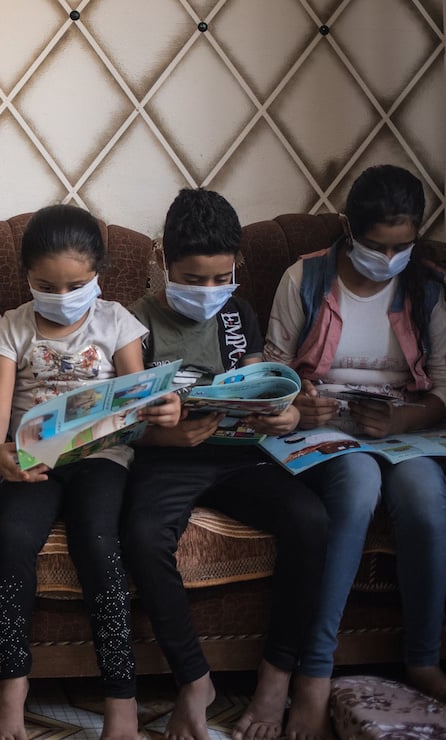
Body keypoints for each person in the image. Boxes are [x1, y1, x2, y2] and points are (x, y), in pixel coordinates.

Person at [124, 188, 328, 740]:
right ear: (164, 259)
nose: (210, 291)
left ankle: (277, 675)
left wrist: (281, 415)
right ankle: (194, 680)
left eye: (222, 277)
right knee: (143, 535)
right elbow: (122, 423)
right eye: (194, 279)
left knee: (310, 520)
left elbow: (262, 384)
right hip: (170, 458)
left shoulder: (239, 314)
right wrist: (167, 437)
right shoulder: (133, 325)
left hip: (241, 454)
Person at [0, 204, 181, 740]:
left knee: (98, 542)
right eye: (46, 284)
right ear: (26, 277)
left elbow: (138, 398)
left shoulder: (117, 321)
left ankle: (122, 700)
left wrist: (158, 408)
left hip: (101, 457)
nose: (62, 295)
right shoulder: (15, 327)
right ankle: (12, 687)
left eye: (77, 283)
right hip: (32, 460)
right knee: (11, 542)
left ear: (99, 275)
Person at [265, 164, 446, 738]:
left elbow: (443, 386)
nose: (389, 258)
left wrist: (403, 417)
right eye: (375, 245)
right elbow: (268, 364)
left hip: (402, 428)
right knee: (360, 485)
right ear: (347, 227)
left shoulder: (430, 287)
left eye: (402, 245)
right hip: (323, 428)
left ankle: (422, 658)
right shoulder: (308, 278)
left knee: (423, 496)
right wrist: (300, 402)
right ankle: (314, 676)